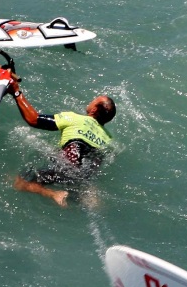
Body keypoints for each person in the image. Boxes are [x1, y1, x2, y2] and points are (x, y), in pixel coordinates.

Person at [7, 77, 116, 206]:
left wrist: (16, 92)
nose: (91, 101)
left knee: (19, 183)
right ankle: (87, 194)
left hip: (66, 167)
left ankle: (54, 194)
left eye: (94, 100)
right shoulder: (108, 139)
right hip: (84, 175)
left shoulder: (74, 118)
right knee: (78, 173)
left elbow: (34, 119)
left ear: (94, 110)